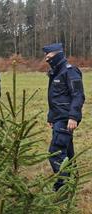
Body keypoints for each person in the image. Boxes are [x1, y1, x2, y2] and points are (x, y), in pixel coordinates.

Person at [43, 43, 85, 191]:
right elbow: (54, 98)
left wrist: (73, 117)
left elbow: (78, 95)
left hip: (66, 118)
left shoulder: (70, 71)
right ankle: (73, 179)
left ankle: (62, 186)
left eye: (49, 57)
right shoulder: (56, 72)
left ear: (58, 54)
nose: (47, 59)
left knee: (55, 152)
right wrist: (51, 117)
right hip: (58, 118)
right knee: (67, 151)